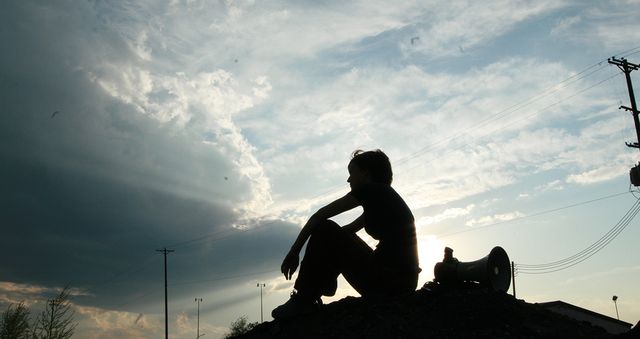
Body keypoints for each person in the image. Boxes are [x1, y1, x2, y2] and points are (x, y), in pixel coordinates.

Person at [272, 149, 421, 319]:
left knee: (324, 227)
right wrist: (325, 260)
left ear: (365, 173)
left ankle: (303, 299)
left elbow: (320, 216)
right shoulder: (383, 199)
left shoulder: (373, 190)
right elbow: (346, 233)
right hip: (400, 283)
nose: (348, 179)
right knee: (333, 234)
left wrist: (294, 252)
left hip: (390, 282)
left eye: (352, 173)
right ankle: (318, 287)